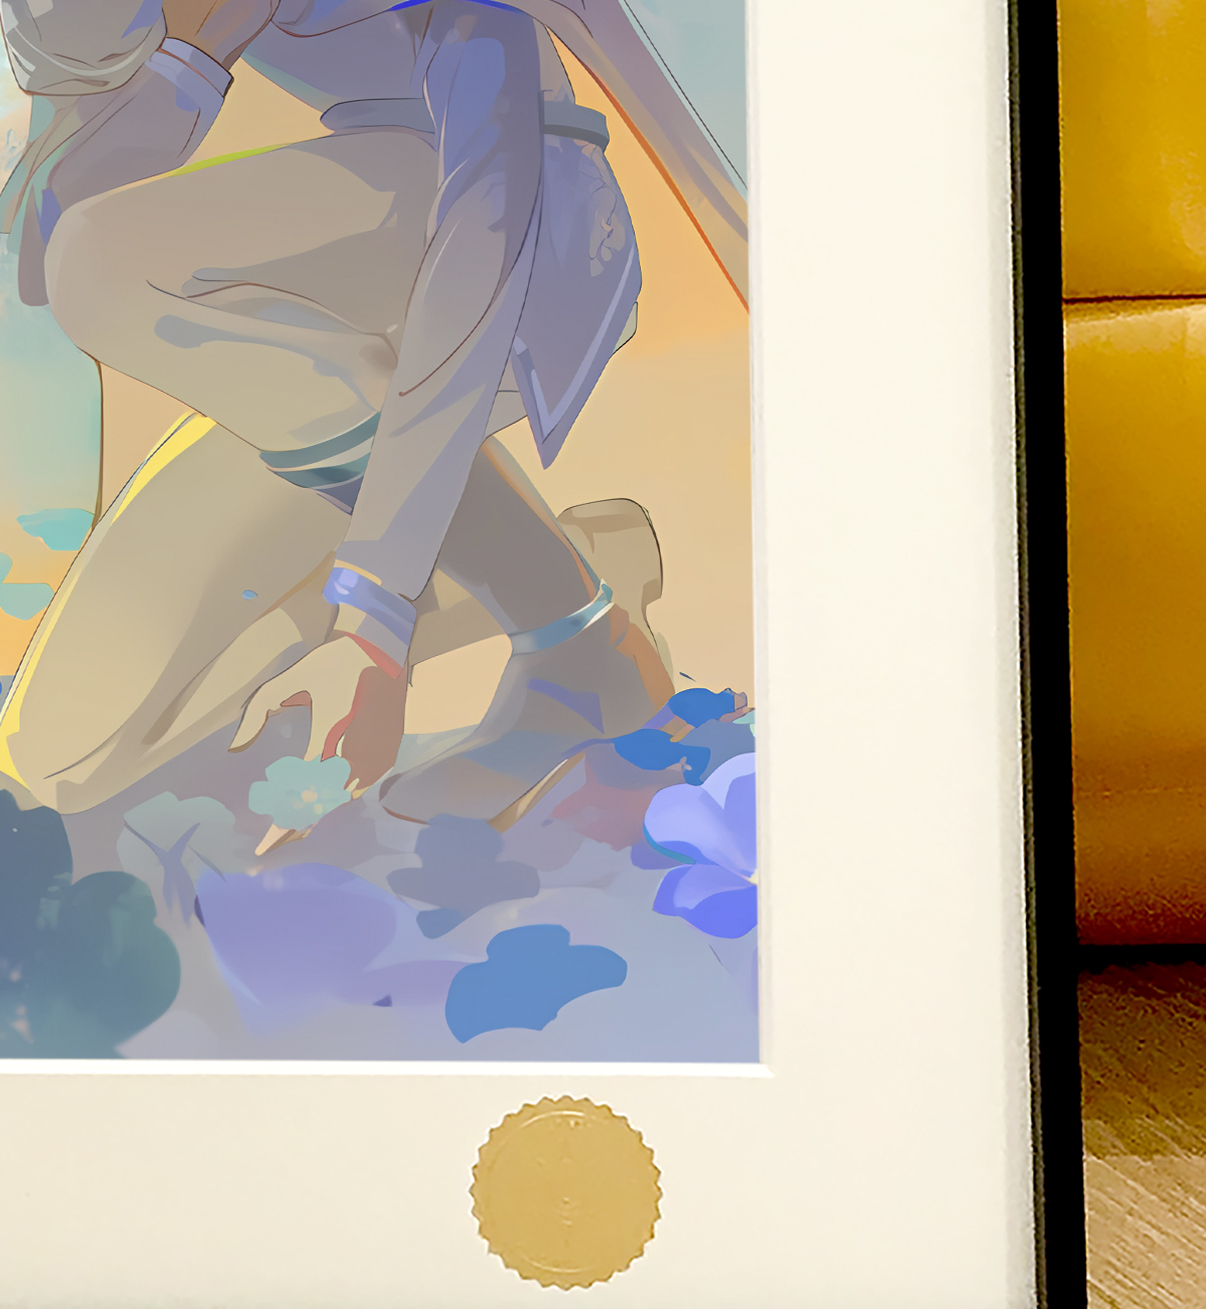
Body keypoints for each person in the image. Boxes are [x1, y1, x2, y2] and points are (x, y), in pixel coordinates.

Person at [0, 0, 746, 841]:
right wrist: (198, 53)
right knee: (58, 758)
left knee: (103, 259)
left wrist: (374, 622)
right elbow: (39, 249)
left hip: (528, 260)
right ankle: (545, 567)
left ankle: (571, 639)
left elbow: (486, 246)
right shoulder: (123, 21)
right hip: (322, 351)